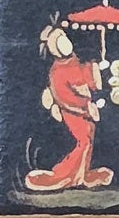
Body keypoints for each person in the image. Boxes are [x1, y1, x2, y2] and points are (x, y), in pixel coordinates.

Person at [24, 23, 113, 191]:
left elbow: (83, 75)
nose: (65, 42)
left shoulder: (73, 61)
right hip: (73, 111)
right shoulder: (57, 71)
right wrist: (85, 107)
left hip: (85, 108)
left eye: (64, 38)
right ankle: (67, 175)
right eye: (60, 40)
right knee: (83, 141)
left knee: (88, 138)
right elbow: (64, 97)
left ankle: (81, 173)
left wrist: (95, 70)